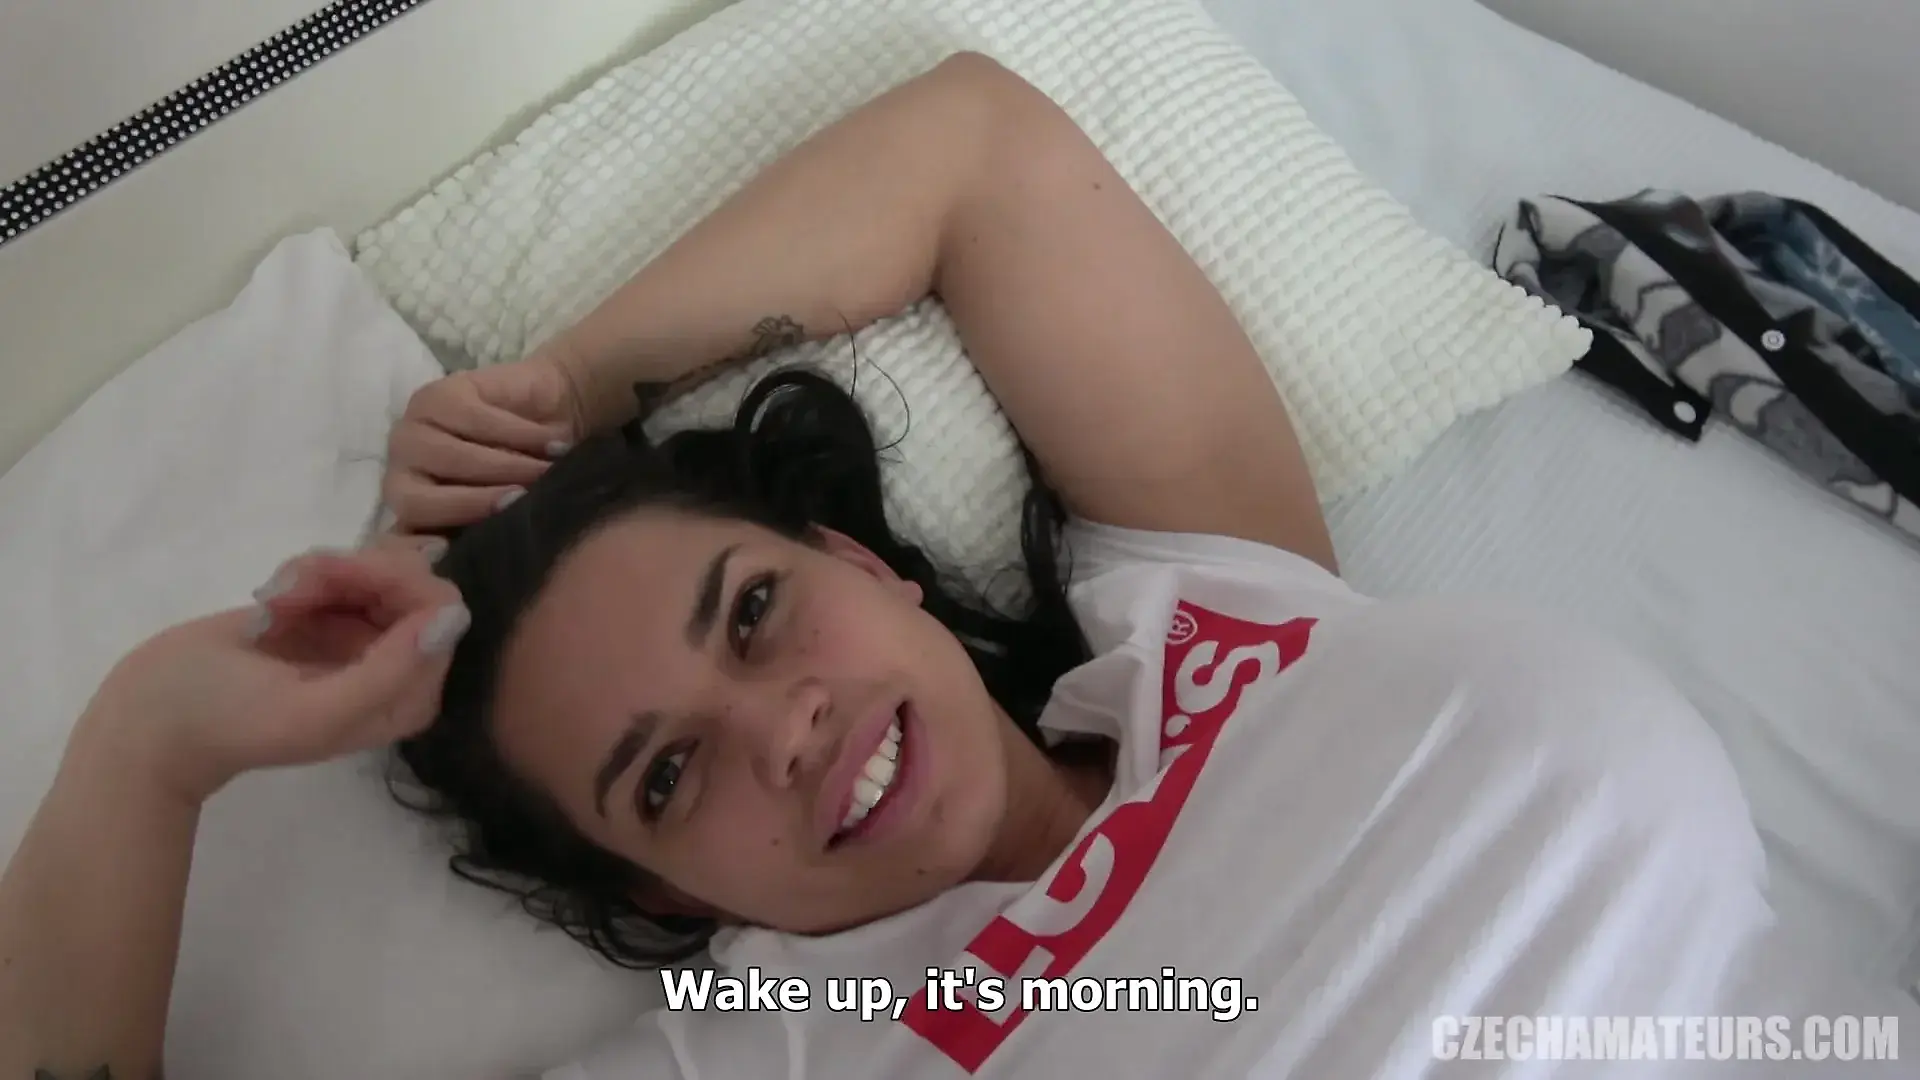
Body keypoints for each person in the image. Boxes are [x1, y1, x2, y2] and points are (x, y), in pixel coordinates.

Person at [2, 53, 1904, 1080]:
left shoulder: (1208, 614)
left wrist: (564, 391)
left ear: (868, 563)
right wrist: (147, 748)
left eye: (756, 613)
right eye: (663, 777)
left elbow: (977, 152)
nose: (783, 727)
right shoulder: (768, 1048)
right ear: (664, 893)